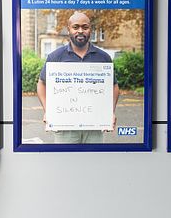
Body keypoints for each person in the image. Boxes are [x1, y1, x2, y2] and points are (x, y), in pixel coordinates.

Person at [36, 11, 120, 143]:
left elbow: (114, 86)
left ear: (90, 30)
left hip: (94, 125)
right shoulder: (55, 57)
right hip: (65, 126)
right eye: (75, 27)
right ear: (68, 29)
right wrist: (48, 110)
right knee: (65, 163)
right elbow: (42, 84)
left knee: (93, 162)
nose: (80, 31)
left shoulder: (103, 57)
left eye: (85, 27)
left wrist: (111, 112)